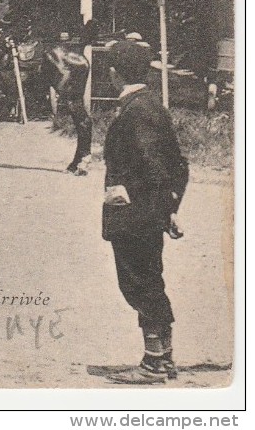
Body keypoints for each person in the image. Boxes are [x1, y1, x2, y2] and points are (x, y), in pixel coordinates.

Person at [102, 39, 189, 384]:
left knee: (138, 283)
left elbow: (156, 166)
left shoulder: (137, 110)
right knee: (148, 281)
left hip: (136, 214)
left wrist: (154, 206)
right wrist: (170, 208)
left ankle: (154, 363)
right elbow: (179, 166)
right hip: (148, 211)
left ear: (113, 74)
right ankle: (163, 358)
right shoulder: (148, 104)